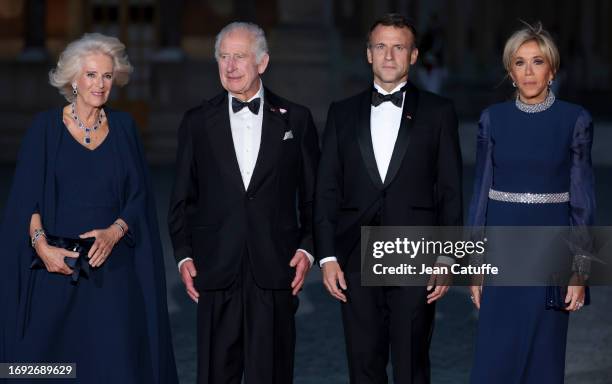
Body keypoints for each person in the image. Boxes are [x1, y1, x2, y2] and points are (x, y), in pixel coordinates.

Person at [0, 33, 178, 383]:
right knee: (46, 371)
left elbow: (140, 195)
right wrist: (42, 247)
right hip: (56, 271)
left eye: (108, 76)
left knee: (115, 367)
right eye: (92, 75)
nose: (100, 84)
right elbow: (27, 200)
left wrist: (115, 232)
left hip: (112, 275)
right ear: (73, 80)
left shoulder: (126, 128)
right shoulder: (44, 129)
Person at [314, 13, 462, 384]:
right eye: (381, 46)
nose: (389, 55)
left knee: (412, 362)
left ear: (413, 56)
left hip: (415, 251)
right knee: (363, 361)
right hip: (354, 252)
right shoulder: (341, 113)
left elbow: (450, 190)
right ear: (368, 54)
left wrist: (447, 256)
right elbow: (326, 189)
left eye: (399, 47)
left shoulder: (439, 113)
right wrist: (328, 255)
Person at [168, 22, 319, 384]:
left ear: (262, 63)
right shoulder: (197, 122)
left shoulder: (296, 119)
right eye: (223, 56)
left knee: (273, 374)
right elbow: (181, 198)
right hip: (215, 268)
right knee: (215, 375)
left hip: (275, 268)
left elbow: (314, 196)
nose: (230, 66)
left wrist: (309, 248)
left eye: (240, 56)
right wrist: (184, 254)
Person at [468, 22, 594, 383]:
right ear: (510, 71)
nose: (528, 71)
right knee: (493, 360)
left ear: (551, 70)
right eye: (519, 63)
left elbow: (583, 201)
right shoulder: (492, 119)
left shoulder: (575, 119)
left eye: (537, 62)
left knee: (543, 359)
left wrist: (581, 270)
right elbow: (479, 194)